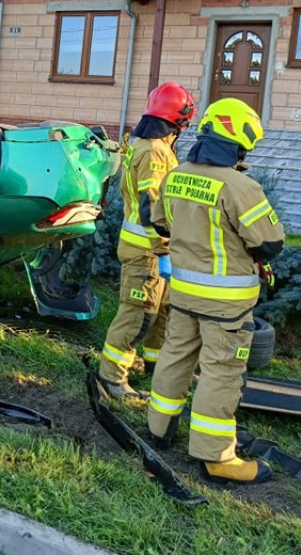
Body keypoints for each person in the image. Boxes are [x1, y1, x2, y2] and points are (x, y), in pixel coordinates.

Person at [146, 98, 284, 485]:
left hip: (185, 293)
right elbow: (269, 243)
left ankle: (159, 428)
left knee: (175, 356)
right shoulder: (240, 186)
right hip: (226, 305)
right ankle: (216, 458)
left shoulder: (176, 175)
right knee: (220, 374)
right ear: (239, 140)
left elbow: (160, 223)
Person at [98, 81, 195, 400]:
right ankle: (112, 378)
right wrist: (163, 250)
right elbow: (150, 203)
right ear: (178, 120)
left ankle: (157, 368)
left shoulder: (143, 143)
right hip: (147, 251)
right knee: (137, 315)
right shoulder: (154, 151)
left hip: (148, 248)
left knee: (160, 313)